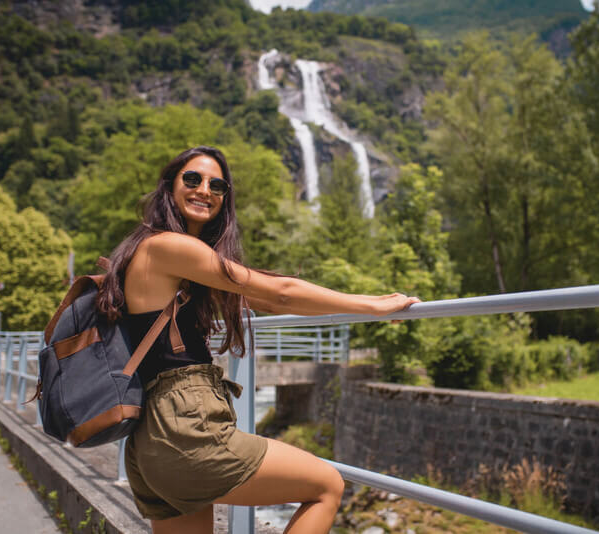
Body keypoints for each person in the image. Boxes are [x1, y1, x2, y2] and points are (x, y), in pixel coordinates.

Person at [96, 146, 419, 534]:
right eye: (192, 179)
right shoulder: (169, 246)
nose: (204, 190)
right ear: (169, 186)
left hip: (150, 441)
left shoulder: (158, 253)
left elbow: (264, 296)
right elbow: (279, 292)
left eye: (217, 184)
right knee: (327, 486)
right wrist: (373, 305)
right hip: (185, 428)